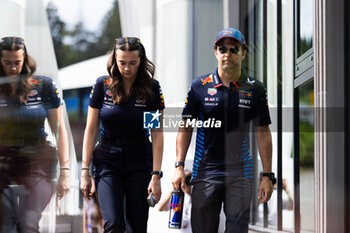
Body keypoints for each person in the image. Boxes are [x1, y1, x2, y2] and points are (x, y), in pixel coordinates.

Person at [172, 28, 274, 233]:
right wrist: (179, 166)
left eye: (234, 49)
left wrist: (268, 176)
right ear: (215, 52)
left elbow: (263, 133)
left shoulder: (256, 89)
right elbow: (185, 128)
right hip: (206, 172)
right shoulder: (199, 86)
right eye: (222, 48)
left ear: (243, 53)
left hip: (241, 174)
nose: (228, 53)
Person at [80, 37, 165, 233]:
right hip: (108, 159)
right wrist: (85, 171)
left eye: (133, 63)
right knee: (114, 224)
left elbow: (157, 133)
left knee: (136, 227)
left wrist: (156, 175)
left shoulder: (151, 88)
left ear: (141, 61)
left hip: (139, 159)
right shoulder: (103, 85)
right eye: (122, 62)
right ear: (115, 60)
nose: (127, 68)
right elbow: (91, 129)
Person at [0, 36, 70, 232]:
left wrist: (65, 172)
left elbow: (60, 131)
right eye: (7, 63)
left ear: (25, 60)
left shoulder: (44, 86)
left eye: (17, 62)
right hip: (4, 163)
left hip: (38, 163)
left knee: (27, 224)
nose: (13, 68)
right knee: (6, 227)